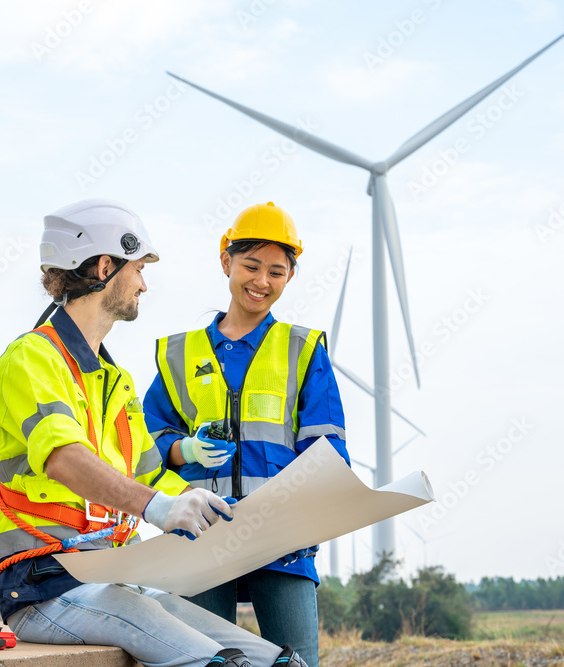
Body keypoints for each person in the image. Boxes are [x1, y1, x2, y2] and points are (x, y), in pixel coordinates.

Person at [0, 198, 308, 667]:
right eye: (138, 269)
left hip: (118, 580)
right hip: (46, 587)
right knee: (224, 663)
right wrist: (160, 508)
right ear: (103, 267)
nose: (144, 283)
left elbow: (153, 475)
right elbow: (64, 458)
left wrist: (230, 518)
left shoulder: (115, 382)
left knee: (276, 660)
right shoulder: (32, 360)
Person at [143, 202, 350, 667]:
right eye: (251, 265)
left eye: (276, 271)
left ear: (290, 277)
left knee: (297, 662)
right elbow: (143, 449)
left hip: (283, 543)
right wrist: (184, 448)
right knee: (206, 662)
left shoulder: (304, 350)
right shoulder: (178, 355)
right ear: (226, 262)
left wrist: (305, 522)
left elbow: (329, 455)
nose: (261, 281)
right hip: (202, 538)